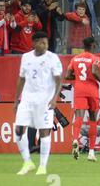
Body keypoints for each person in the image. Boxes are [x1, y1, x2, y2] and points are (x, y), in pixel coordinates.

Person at [13, 31, 63, 176]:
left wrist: (54, 98)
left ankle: (42, 166)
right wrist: (16, 100)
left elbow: (59, 79)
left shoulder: (52, 58)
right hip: (27, 99)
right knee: (18, 130)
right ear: (34, 43)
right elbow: (21, 79)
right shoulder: (26, 57)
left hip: (45, 101)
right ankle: (27, 162)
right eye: (41, 42)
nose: (44, 45)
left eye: (46, 43)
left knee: (44, 132)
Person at [65, 37, 100, 162]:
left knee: (79, 116)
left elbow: (67, 75)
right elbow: (94, 71)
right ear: (93, 45)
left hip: (79, 89)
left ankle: (75, 140)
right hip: (92, 91)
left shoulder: (75, 58)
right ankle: (91, 152)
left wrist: (77, 76)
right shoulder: (95, 59)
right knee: (93, 119)